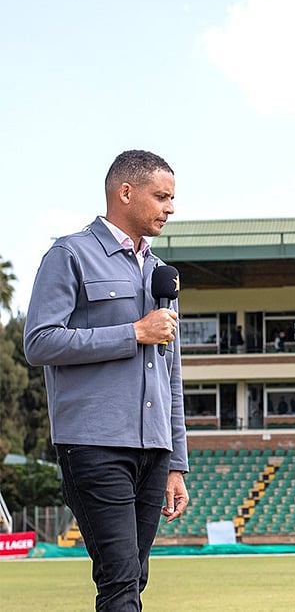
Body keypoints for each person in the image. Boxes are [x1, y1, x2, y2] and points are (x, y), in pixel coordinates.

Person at [24, 149, 190, 610]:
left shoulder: (161, 274)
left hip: (154, 450)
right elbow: (39, 343)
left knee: (134, 578)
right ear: (126, 193)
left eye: (172, 198)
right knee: (119, 579)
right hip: (94, 444)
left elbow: (172, 375)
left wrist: (176, 463)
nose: (170, 208)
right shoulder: (69, 255)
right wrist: (133, 333)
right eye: (162, 197)